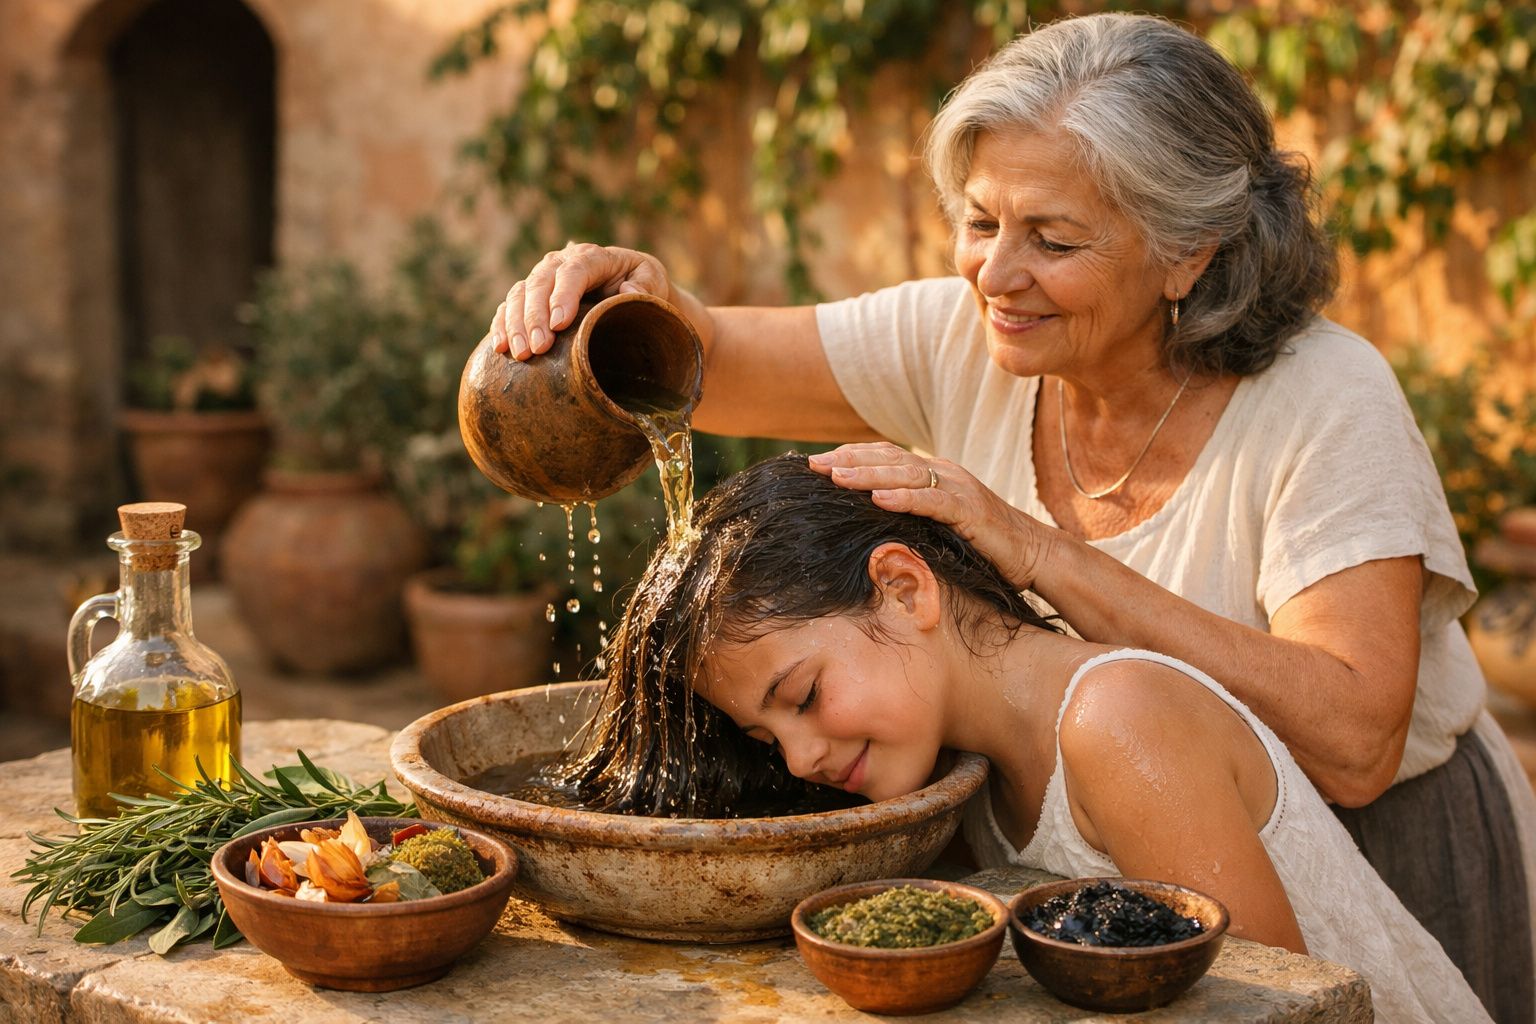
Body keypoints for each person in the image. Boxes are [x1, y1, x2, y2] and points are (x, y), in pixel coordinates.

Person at [490, 12, 1535, 1020]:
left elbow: (1355, 743)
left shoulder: (1326, 398)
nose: (995, 272)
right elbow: (697, 366)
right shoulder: (967, 332)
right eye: (982, 222)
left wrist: (1042, 552)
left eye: (1054, 238)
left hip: (1382, 850)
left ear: (1190, 250)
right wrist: (624, 303)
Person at [566, 453, 1489, 1023]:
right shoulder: (966, 775)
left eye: (802, 696)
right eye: (768, 741)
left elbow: (1268, 1009)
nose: (802, 757)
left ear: (904, 588)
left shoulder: (1117, 721)